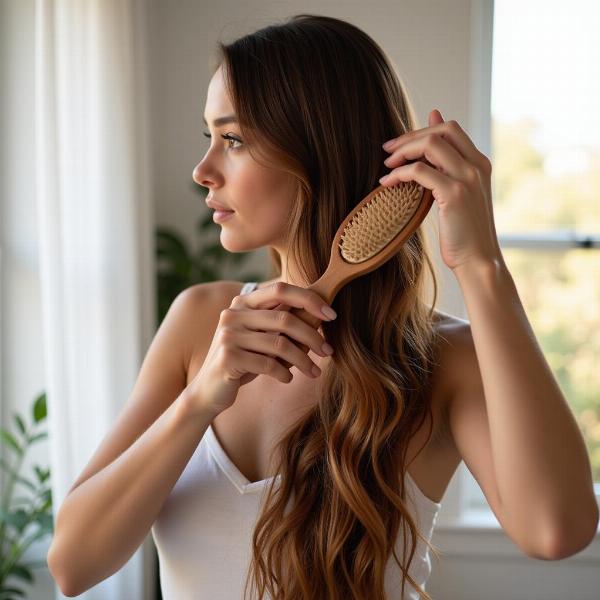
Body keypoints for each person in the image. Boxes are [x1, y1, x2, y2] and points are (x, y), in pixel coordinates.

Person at [48, 12, 598, 600]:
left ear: (317, 148)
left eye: (232, 140)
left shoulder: (443, 361)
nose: (203, 170)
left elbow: (555, 530)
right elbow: (73, 565)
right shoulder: (199, 322)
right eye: (208, 137)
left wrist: (482, 265)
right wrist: (199, 400)